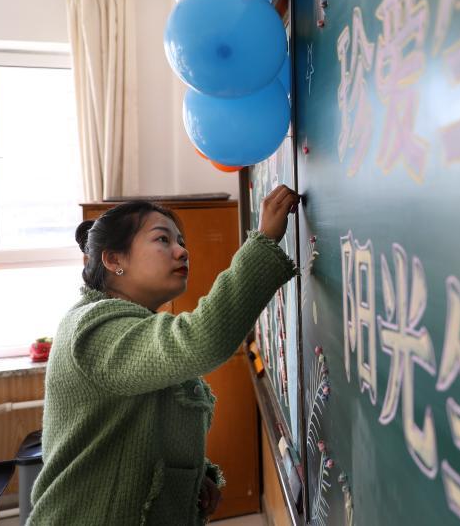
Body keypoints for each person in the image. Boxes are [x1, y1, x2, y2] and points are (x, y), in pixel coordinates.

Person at [27, 185, 301, 525]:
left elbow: (140, 430)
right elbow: (202, 339)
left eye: (181, 242)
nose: (182, 251)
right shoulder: (94, 328)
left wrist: (189, 479)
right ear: (114, 260)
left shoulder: (129, 324)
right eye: (163, 239)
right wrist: (264, 241)